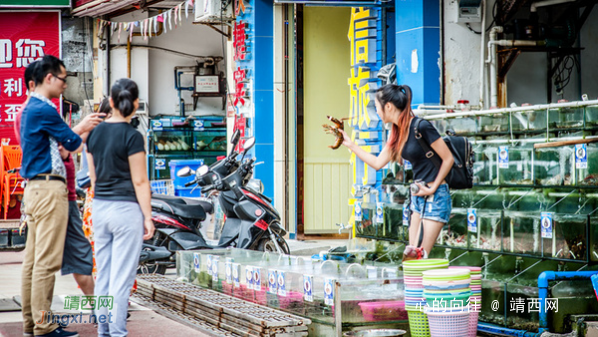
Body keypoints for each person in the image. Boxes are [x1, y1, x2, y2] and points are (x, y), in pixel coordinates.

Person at [20, 55, 103, 337]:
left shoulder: (28, 109)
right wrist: (81, 130)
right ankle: (44, 325)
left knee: (33, 261)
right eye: (63, 79)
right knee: (46, 262)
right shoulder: (44, 109)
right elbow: (70, 143)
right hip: (49, 189)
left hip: (36, 189)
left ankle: (33, 323)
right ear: (48, 78)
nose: (65, 85)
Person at [339, 84, 454, 261]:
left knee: (419, 257)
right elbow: (377, 163)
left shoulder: (421, 126)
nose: (376, 111)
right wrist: (350, 144)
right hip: (417, 197)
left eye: (377, 107)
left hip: (435, 195)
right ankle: (416, 288)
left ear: (389, 107)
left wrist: (432, 189)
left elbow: (448, 159)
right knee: (410, 257)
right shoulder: (397, 133)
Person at [86, 78, 154, 337]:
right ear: (135, 104)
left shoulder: (95, 134)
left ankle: (104, 330)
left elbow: (93, 180)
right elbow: (139, 180)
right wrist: (147, 217)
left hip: (100, 208)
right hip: (126, 212)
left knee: (103, 273)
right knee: (122, 278)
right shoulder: (133, 137)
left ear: (111, 102)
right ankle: (117, 333)